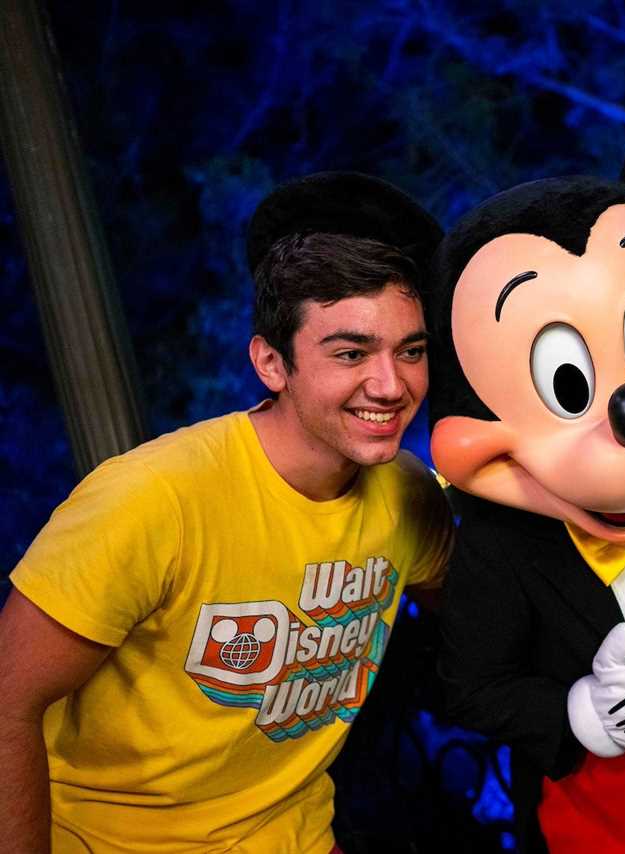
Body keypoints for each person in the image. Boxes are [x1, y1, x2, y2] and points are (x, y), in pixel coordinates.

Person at [0, 172, 454, 853]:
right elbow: (9, 702)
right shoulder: (151, 498)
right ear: (272, 363)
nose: (391, 385)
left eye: (410, 352)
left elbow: (488, 615)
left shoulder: (407, 494)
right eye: (351, 353)